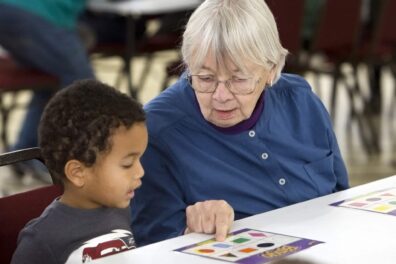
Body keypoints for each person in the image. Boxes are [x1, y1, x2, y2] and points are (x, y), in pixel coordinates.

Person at [131, 0, 349, 246]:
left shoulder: (300, 100)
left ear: (271, 70)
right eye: (205, 78)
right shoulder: (157, 130)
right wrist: (189, 230)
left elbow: (342, 197)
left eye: (239, 79)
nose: (220, 96)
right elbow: (150, 240)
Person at [11, 80, 148, 264]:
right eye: (127, 164)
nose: (140, 172)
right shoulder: (41, 240)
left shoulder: (120, 208)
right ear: (78, 173)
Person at [0, 0, 94, 178]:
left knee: (50, 81)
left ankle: (27, 155)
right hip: (39, 14)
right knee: (85, 87)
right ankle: (86, 162)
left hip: (9, 8)